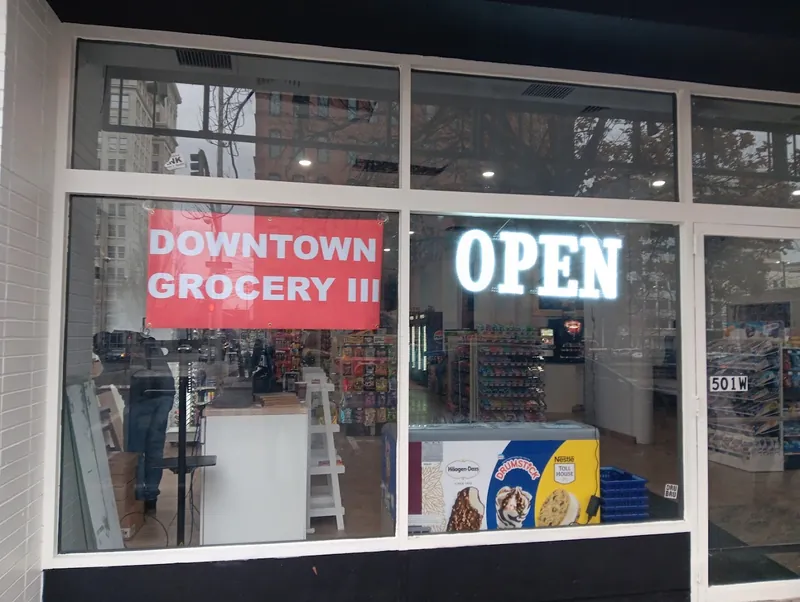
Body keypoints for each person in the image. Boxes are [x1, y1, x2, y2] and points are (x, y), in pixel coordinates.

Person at [126, 338, 175, 513]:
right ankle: (150, 498)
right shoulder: (157, 357)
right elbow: (170, 387)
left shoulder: (137, 357)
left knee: (136, 452)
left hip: (141, 406)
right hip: (159, 405)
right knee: (153, 453)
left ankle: (138, 495)